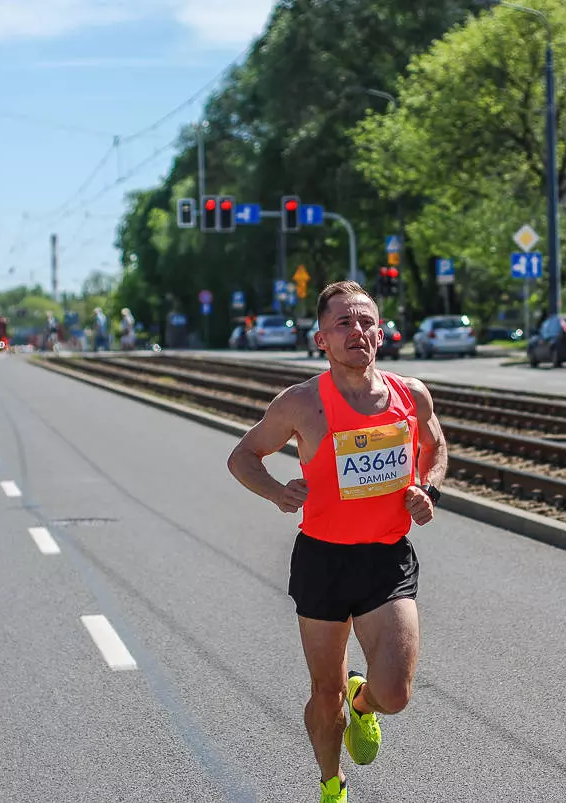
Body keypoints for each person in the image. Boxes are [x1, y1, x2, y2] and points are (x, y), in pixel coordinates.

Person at [227, 281, 448, 803]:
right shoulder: (301, 403)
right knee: (325, 696)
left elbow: (435, 446)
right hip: (323, 561)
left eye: (367, 321)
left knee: (394, 693)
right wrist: (279, 492)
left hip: (386, 558)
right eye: (344, 323)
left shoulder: (409, 394)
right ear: (322, 338)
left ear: (381, 332)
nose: (358, 332)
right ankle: (332, 784)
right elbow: (242, 457)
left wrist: (427, 487)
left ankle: (365, 703)